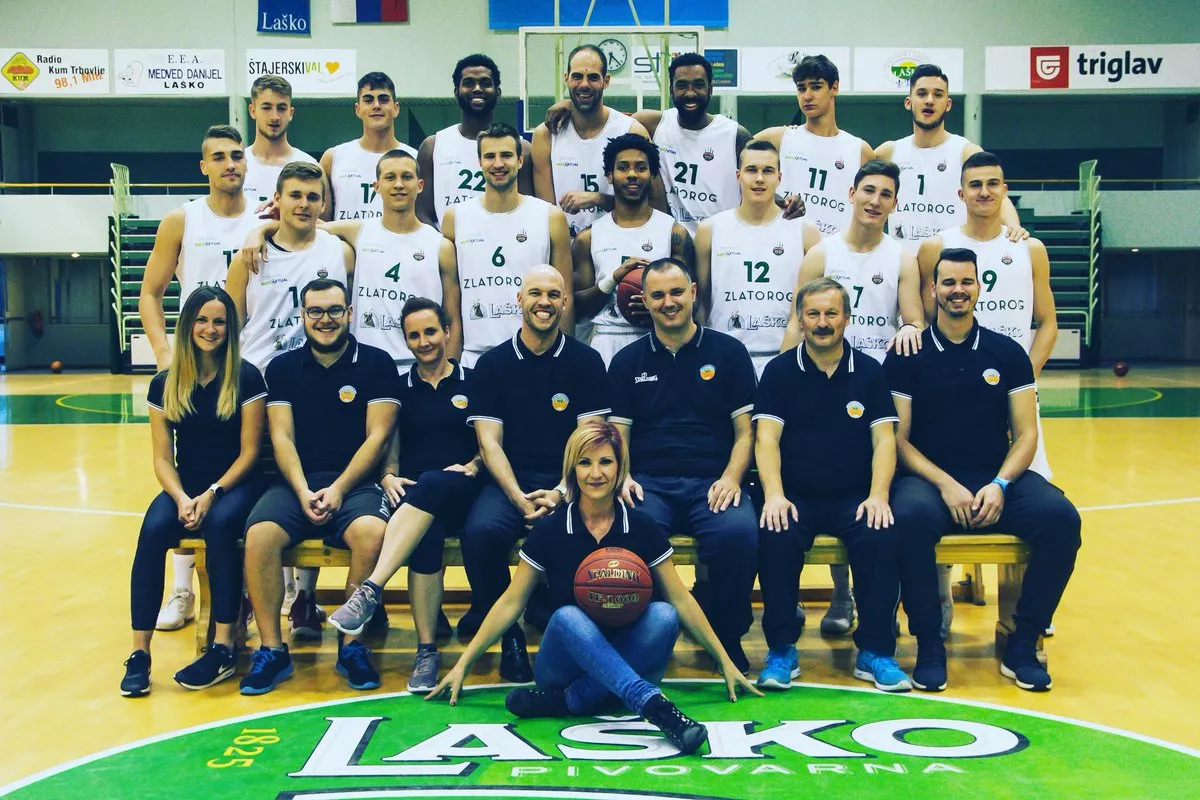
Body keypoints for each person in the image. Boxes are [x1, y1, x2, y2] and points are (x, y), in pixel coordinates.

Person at [428, 421, 760, 755]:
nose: (596, 473)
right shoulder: (551, 529)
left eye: (605, 462)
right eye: (585, 463)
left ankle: (572, 701)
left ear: (620, 467)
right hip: (564, 667)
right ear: (572, 470)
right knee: (567, 616)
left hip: (631, 656)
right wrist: (462, 665)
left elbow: (681, 600)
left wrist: (724, 660)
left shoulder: (641, 526)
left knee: (664, 614)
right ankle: (654, 706)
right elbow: (511, 602)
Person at [885, 249, 1081, 692]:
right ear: (933, 289)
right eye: (949, 282)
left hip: (994, 477)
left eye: (966, 282)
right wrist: (946, 485)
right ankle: (929, 644)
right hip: (929, 481)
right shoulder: (907, 355)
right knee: (909, 518)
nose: (958, 291)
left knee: (1061, 519)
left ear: (979, 287)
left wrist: (1000, 484)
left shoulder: (1007, 353)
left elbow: (1026, 435)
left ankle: (1023, 642)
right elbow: (898, 441)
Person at [917, 151, 1058, 637]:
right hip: (950, 395)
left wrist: (1020, 380)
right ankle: (939, 600)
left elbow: (1048, 323)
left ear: (1004, 191)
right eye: (975, 185)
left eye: (992, 184)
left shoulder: (1029, 248)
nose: (984, 192)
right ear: (960, 193)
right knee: (937, 501)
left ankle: (1019, 616)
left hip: (1010, 395)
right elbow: (923, 320)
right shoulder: (936, 246)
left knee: (1025, 500)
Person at [239, 278, 400, 695]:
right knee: (259, 536)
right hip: (296, 484)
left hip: (356, 484)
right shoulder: (282, 368)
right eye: (315, 311)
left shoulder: (377, 364)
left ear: (349, 313)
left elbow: (378, 437)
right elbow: (281, 437)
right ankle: (272, 650)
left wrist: (340, 488)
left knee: (373, 533)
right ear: (303, 316)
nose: (325, 320)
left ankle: (351, 645)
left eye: (334, 311)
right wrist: (301, 490)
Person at [755, 278, 910, 692]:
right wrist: (774, 495)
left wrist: (878, 495)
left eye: (831, 313)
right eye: (813, 314)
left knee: (880, 532)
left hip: (854, 496)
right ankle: (781, 650)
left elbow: (884, 440)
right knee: (775, 532)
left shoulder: (870, 372)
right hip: (795, 496)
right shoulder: (779, 372)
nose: (822, 322)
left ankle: (876, 652)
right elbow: (766, 438)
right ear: (800, 320)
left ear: (847, 318)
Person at [458, 265, 612, 683]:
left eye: (553, 295)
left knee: (585, 533)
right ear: (520, 300)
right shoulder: (492, 363)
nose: (544, 302)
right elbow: (489, 443)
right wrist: (518, 498)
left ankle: (574, 634)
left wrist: (561, 492)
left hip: (572, 481)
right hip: (509, 480)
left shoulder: (586, 361)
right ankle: (509, 636)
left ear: (565, 303)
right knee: (480, 533)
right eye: (535, 293)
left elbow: (590, 440)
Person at [608, 257, 759, 672]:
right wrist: (624, 476)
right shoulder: (627, 361)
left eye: (677, 292)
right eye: (657, 295)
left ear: (693, 293)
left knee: (738, 534)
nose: (669, 302)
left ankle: (725, 637)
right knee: (630, 533)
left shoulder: (729, 353)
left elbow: (746, 433)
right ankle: (650, 638)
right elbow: (618, 435)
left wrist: (732, 478)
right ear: (645, 301)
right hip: (649, 484)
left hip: (712, 481)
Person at [138, 124, 262, 629]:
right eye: (220, 157)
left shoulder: (264, 218)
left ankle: (276, 593)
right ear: (204, 166)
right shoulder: (182, 218)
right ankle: (182, 590)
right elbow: (150, 292)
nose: (231, 164)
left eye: (237, 156)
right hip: (197, 360)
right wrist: (164, 355)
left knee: (251, 476)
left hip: (253, 360)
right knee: (190, 468)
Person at [329, 297, 485, 692]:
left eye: (431, 332)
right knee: (426, 537)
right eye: (414, 336)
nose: (424, 342)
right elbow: (390, 446)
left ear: (447, 332)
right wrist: (388, 476)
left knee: (433, 480)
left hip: (466, 489)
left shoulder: (474, 380)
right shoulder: (399, 388)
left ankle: (371, 588)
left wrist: (474, 465)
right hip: (416, 501)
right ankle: (427, 651)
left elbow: (491, 441)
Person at [226, 161, 353, 633]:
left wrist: (258, 226)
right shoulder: (249, 256)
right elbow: (233, 322)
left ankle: (305, 596)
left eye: (313, 196)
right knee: (261, 489)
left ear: (324, 203)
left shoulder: (339, 250)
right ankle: (246, 596)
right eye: (294, 195)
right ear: (276, 199)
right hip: (259, 385)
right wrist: (257, 231)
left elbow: (383, 229)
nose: (303, 204)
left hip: (315, 383)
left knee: (312, 480)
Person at [121, 287, 266, 697]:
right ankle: (140, 653)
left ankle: (222, 645)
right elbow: (162, 458)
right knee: (152, 532)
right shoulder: (165, 383)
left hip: (236, 483)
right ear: (187, 325)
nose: (210, 329)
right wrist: (182, 497)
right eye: (202, 320)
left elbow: (250, 453)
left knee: (220, 527)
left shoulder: (246, 377)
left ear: (230, 328)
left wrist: (213, 493)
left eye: (219, 321)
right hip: (186, 485)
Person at [243, 150, 461, 370]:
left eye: (406, 177)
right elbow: (302, 226)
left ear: (420, 185)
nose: (398, 184)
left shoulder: (441, 246)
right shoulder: (358, 231)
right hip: (365, 366)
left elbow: (452, 320)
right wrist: (259, 231)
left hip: (420, 366)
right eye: (390, 177)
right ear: (376, 186)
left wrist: (450, 371)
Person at [443, 122, 573, 366]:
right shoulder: (455, 218)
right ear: (479, 162)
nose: (498, 164)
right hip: (474, 357)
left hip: (536, 356)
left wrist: (564, 361)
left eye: (506, 155)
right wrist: (452, 362)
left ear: (520, 160)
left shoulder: (550, 217)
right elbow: (451, 303)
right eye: (489, 156)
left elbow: (566, 297)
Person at [697, 139, 821, 376]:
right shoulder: (710, 229)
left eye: (768, 171)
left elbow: (813, 303)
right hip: (724, 358)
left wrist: (787, 364)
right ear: (738, 176)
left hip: (786, 357)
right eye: (751, 170)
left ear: (779, 178)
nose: (759, 179)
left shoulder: (806, 231)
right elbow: (701, 302)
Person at [782, 159, 924, 363]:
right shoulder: (820, 254)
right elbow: (796, 325)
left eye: (885, 195)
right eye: (869, 190)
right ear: (852, 194)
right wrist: (783, 375)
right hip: (828, 370)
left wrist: (911, 328)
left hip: (880, 370)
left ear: (894, 204)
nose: (875, 201)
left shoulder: (904, 259)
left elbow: (915, 323)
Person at [572, 133, 693, 364]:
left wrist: (657, 306)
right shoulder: (588, 237)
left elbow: (692, 302)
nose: (632, 174)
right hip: (607, 340)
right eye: (623, 167)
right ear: (609, 175)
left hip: (660, 341)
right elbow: (578, 310)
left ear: (652, 175)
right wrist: (612, 280)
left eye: (641, 167)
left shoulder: (675, 233)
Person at [874, 64, 1026, 248]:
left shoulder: (966, 152)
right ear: (908, 102)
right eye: (922, 94)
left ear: (948, 104)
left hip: (951, 261)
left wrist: (1013, 225)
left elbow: (997, 194)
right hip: (905, 261)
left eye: (938, 94)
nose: (929, 100)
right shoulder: (889, 152)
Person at [532, 45, 650, 237]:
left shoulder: (631, 131)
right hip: (567, 246)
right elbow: (545, 213)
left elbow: (646, 206)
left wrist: (598, 199)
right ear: (566, 78)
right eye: (577, 76)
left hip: (620, 243)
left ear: (606, 81)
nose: (584, 84)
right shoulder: (546, 135)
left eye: (593, 77)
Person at [755, 55, 874, 236]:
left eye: (816, 87)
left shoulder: (860, 150)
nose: (807, 96)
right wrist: (775, 198)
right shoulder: (778, 138)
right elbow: (739, 173)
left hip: (834, 249)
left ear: (834, 88)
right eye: (801, 89)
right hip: (783, 245)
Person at [416, 54, 534, 229]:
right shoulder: (433, 147)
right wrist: (444, 243)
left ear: (498, 92)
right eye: (469, 83)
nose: (477, 88)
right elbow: (421, 212)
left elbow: (527, 210)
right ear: (456, 92)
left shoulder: (522, 148)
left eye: (485, 83)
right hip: (448, 244)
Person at [320, 72, 418, 222]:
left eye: (383, 99)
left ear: (396, 108)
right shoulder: (333, 158)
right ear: (357, 109)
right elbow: (321, 222)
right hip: (342, 238)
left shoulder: (415, 158)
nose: (376, 105)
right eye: (368, 100)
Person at [242, 75, 321, 208]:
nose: (275, 117)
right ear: (252, 110)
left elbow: (321, 220)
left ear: (291, 113)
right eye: (266, 108)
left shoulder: (310, 165)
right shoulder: (236, 165)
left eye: (281, 108)